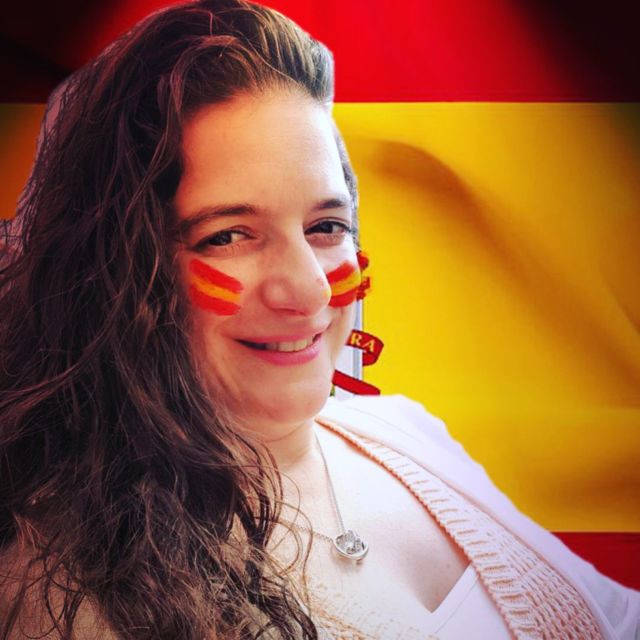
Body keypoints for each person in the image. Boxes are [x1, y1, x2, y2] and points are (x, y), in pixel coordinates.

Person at [0, 1, 638, 638]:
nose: (308, 290)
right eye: (228, 235)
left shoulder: (403, 433)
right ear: (117, 272)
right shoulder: (72, 590)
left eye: (326, 226)